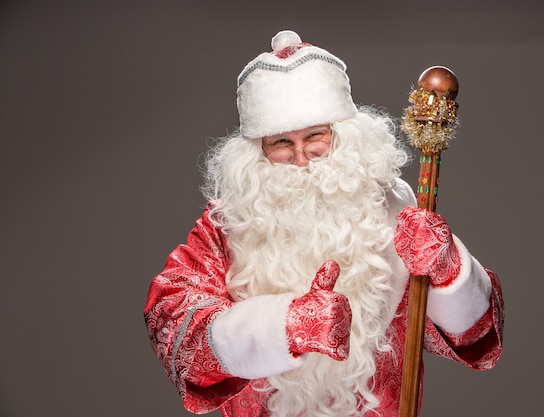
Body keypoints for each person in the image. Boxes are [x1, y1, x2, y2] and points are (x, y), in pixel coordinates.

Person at [144, 30, 504, 417]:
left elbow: (477, 335)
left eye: (315, 136)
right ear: (257, 151)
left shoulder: (395, 209)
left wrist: (450, 270)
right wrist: (285, 326)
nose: (301, 157)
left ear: (344, 136)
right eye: (281, 142)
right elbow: (172, 323)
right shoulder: (229, 225)